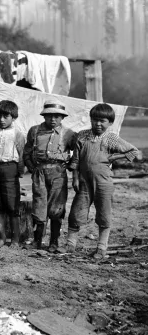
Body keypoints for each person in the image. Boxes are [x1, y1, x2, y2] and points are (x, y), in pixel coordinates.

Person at [67, 103, 141, 259]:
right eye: (95, 120)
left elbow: (134, 151)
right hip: (84, 182)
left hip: (103, 182)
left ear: (110, 122)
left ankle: (101, 247)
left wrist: (115, 157)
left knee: (104, 213)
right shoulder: (82, 136)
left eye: (103, 121)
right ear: (91, 120)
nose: (98, 124)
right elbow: (75, 160)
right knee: (76, 212)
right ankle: (70, 244)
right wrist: (75, 178)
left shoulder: (111, 138)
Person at [23, 101, 76, 252]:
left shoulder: (69, 134)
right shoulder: (35, 131)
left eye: (57, 116)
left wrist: (70, 165)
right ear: (44, 116)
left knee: (56, 208)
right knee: (39, 205)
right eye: (49, 116)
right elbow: (27, 151)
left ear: (62, 118)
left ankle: (54, 242)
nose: (53, 119)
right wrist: (31, 167)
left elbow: (78, 152)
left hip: (58, 173)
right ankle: (37, 240)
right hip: (39, 172)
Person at [0, 100, 25, 247]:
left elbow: (21, 155)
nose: (1, 120)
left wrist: (19, 171)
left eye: (5, 116)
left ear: (13, 117)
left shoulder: (17, 134)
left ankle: (15, 239)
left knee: (12, 205)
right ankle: (1, 238)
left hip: (10, 169)